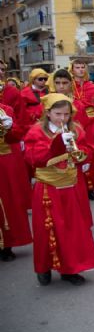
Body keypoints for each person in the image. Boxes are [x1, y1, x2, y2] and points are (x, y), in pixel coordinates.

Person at [23, 93, 94, 286]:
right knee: (46, 229)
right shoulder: (36, 132)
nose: (63, 119)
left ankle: (70, 269)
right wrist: (57, 146)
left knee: (72, 229)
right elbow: (34, 159)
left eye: (66, 114)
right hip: (48, 188)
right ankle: (44, 267)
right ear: (47, 113)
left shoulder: (77, 130)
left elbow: (88, 149)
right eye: (58, 114)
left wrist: (82, 155)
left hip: (70, 186)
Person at [68, 60, 94, 201]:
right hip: (74, 125)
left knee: (92, 157)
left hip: (91, 126)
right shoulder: (68, 87)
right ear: (72, 69)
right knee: (75, 155)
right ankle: (77, 188)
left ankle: (90, 188)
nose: (80, 70)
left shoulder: (92, 87)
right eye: (77, 67)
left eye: (82, 67)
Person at [0, 101, 32, 261]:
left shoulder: (5, 110)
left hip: (3, 161)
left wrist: (10, 127)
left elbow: (15, 137)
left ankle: (7, 244)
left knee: (7, 201)